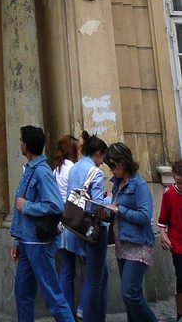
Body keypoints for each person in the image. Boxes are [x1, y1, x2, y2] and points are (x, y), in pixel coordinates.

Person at [10, 125, 75, 322]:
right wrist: (16, 240)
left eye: (21, 141)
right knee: (22, 293)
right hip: (27, 242)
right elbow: (18, 208)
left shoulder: (42, 172)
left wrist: (28, 206)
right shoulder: (30, 169)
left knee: (52, 296)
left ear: (26, 145)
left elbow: (55, 205)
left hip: (39, 243)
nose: (20, 144)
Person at [59, 132, 109, 322]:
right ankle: (91, 316)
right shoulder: (96, 172)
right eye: (102, 157)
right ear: (98, 153)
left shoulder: (74, 169)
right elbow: (97, 206)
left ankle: (91, 314)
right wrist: (110, 199)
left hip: (76, 226)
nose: (102, 162)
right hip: (93, 229)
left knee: (100, 274)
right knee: (95, 279)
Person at [104, 142, 156, 322]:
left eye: (113, 165)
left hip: (138, 244)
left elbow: (145, 215)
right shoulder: (117, 184)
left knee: (129, 292)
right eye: (108, 165)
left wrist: (119, 210)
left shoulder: (139, 184)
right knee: (131, 295)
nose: (110, 169)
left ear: (123, 162)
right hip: (122, 243)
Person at [158, 159, 182, 321]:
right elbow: (163, 220)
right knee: (181, 278)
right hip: (178, 244)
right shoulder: (169, 193)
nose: (181, 186)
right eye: (178, 182)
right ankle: (180, 313)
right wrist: (163, 234)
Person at [53, 135, 80, 203]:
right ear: (71, 150)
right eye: (78, 150)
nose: (79, 153)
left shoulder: (56, 170)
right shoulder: (73, 170)